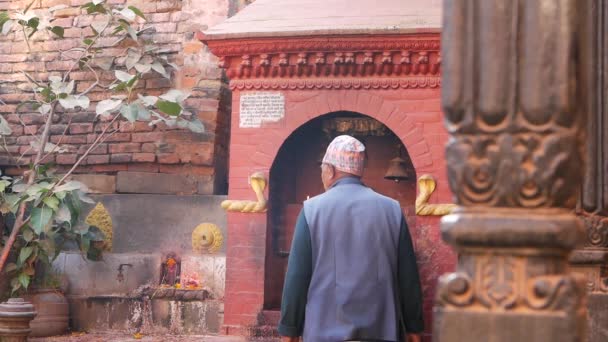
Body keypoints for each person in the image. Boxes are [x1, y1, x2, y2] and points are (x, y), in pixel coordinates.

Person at [278, 135, 424, 342]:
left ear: (330, 170)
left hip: (323, 334)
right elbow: (408, 279)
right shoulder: (392, 210)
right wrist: (414, 329)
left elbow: (297, 278)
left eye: (322, 170)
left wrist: (289, 332)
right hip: (382, 332)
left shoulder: (312, 211)